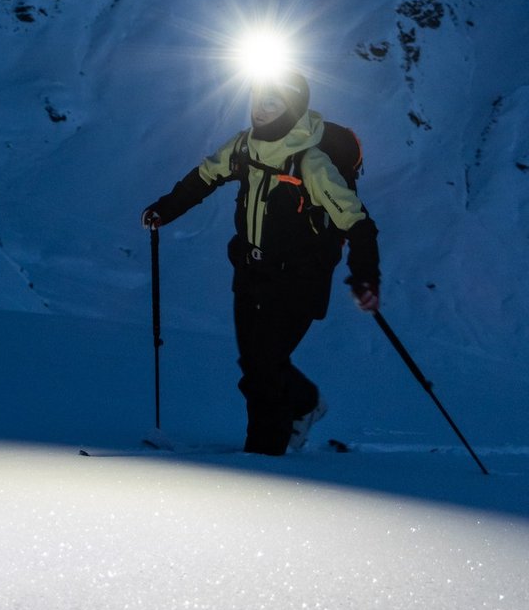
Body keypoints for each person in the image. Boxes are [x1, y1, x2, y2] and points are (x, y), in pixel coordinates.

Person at [140, 70, 380, 456]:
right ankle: (302, 404)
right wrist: (164, 210)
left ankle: (262, 460)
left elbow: (357, 222)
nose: (261, 109)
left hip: (300, 280)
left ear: (292, 108)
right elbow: (205, 176)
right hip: (251, 272)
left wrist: (366, 276)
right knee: (255, 359)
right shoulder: (244, 147)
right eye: (257, 99)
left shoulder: (311, 163)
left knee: (263, 369)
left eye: (273, 102)